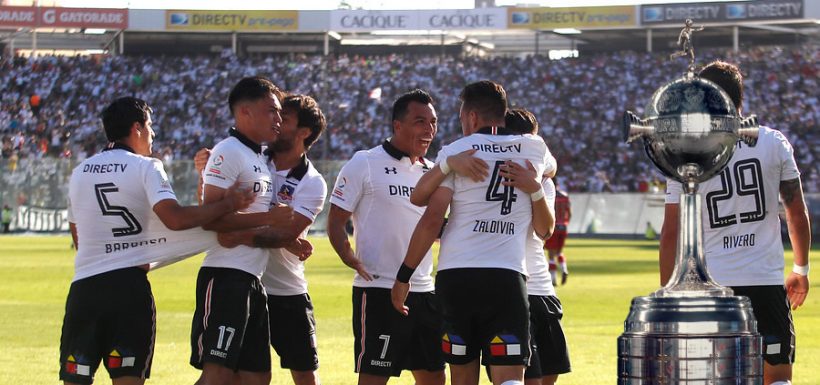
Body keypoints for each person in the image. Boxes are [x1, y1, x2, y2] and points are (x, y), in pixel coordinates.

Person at [59, 97, 254, 385]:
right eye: (150, 127)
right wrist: (228, 205)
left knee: (76, 380)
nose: (153, 135)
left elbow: (79, 237)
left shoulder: (78, 173)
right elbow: (175, 219)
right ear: (137, 127)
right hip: (128, 291)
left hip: (84, 290)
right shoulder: (146, 166)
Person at [391, 81, 554, 385]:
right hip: (506, 277)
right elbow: (551, 170)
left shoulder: (458, 152)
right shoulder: (535, 148)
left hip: (457, 278)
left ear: (472, 117)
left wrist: (404, 276)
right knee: (510, 378)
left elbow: (427, 214)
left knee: (463, 377)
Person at [659, 61, 811, 385]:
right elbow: (796, 212)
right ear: (741, 99)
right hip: (765, 281)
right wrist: (801, 270)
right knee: (778, 377)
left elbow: (671, 232)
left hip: (711, 286)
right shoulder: (773, 141)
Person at [195, 94, 327, 385]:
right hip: (245, 281)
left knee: (304, 373)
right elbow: (214, 209)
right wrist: (204, 176)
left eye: (286, 119)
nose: (277, 123)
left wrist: (240, 236)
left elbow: (285, 233)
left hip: (285, 287)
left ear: (304, 132)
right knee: (238, 375)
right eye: (275, 115)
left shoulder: (312, 181)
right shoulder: (251, 156)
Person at [327, 89, 445, 385]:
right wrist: (347, 256)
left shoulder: (432, 173)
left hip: (422, 290)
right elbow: (336, 220)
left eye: (433, 122)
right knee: (374, 379)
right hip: (378, 289)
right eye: (420, 121)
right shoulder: (365, 162)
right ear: (397, 126)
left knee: (434, 378)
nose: (429, 129)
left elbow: (437, 228)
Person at [545, 177, 571, 285]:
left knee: (551, 254)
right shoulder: (565, 196)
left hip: (553, 227)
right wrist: (565, 223)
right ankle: (564, 269)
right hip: (563, 227)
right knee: (559, 252)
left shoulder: (549, 195)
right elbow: (569, 213)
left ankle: (553, 278)